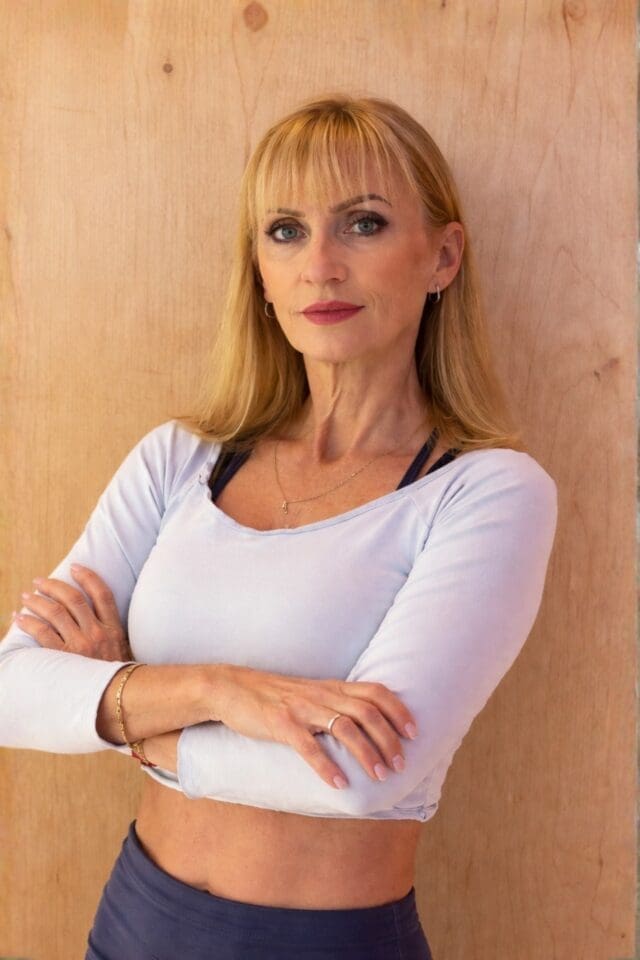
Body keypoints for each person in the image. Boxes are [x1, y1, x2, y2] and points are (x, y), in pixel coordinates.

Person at [0, 93, 558, 959]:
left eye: (363, 224)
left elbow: (367, 781)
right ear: (258, 269)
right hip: (135, 922)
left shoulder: (485, 492)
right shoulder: (180, 459)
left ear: (443, 255)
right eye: (286, 232)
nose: (320, 267)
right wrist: (219, 691)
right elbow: (14, 691)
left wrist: (122, 700)